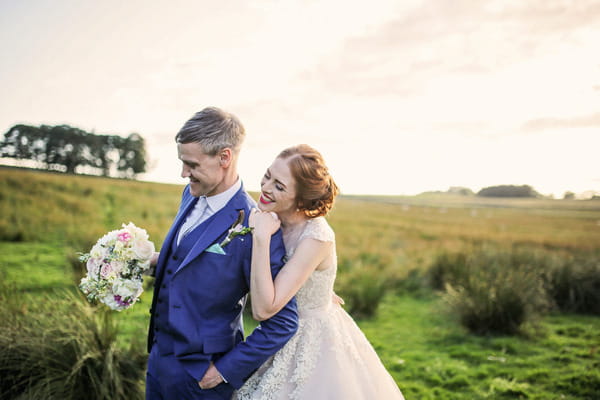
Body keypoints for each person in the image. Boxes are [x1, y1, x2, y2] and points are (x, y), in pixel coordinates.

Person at [146, 107, 298, 400]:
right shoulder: (191, 193)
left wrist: (224, 371)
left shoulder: (258, 226)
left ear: (224, 157)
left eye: (191, 164)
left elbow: (283, 322)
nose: (183, 174)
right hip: (158, 364)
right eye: (182, 163)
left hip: (202, 379)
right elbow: (184, 264)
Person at [234, 144, 405, 399]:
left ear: (301, 199)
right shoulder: (272, 217)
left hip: (310, 341)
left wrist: (261, 238)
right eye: (268, 175)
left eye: (279, 186)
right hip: (276, 335)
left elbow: (262, 309)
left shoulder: (316, 237)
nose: (266, 188)